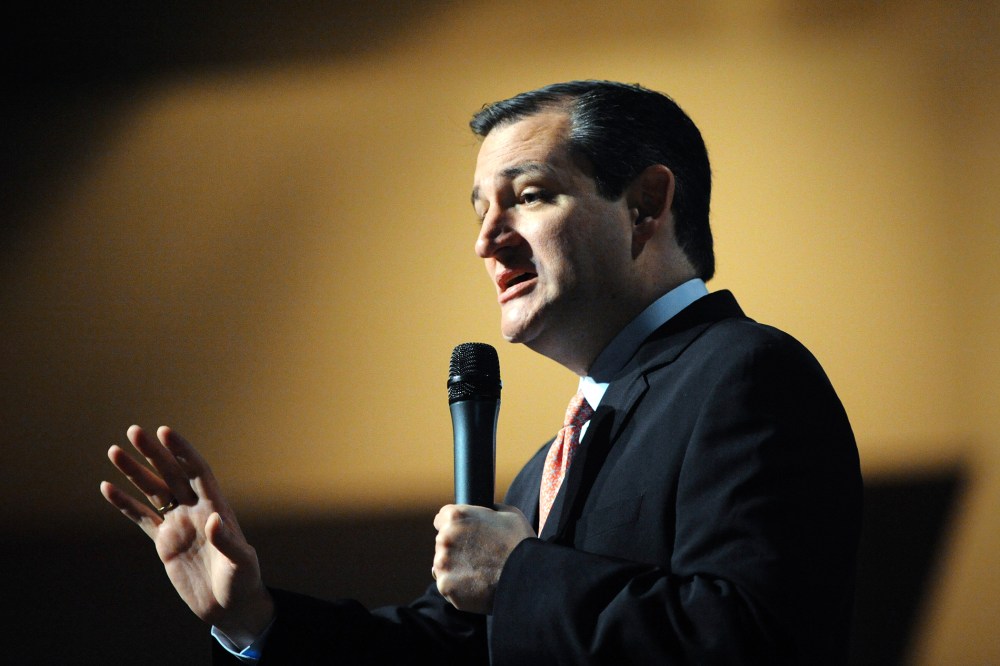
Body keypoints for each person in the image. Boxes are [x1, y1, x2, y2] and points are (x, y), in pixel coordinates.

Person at [100, 80, 862, 664]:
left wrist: (521, 573)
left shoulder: (748, 375)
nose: (487, 242)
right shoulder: (540, 474)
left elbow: (751, 637)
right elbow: (451, 651)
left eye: (528, 197)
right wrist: (252, 619)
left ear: (646, 204)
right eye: (479, 211)